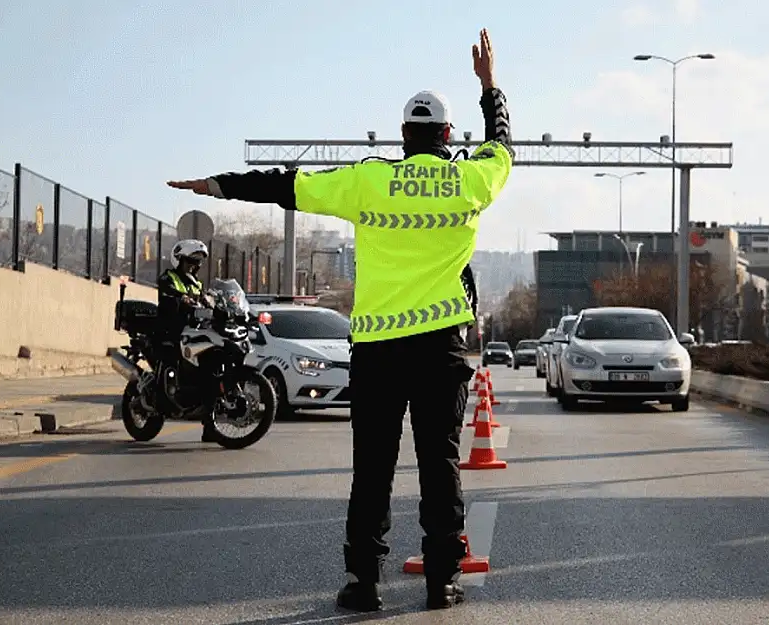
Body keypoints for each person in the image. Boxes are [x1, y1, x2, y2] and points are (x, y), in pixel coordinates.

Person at [166, 28, 512, 611]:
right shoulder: (469, 179)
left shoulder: (369, 179)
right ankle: (441, 581)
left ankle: (363, 583)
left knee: (372, 470)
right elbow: (503, 145)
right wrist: (490, 85)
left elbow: (286, 186)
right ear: (449, 137)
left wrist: (217, 185)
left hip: (378, 350)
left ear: (404, 137)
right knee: (441, 463)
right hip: (440, 349)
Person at [156, 239, 217, 442]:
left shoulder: (196, 283)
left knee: (209, 371)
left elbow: (205, 299)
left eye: (197, 262)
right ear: (179, 260)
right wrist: (181, 298)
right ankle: (165, 394)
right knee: (172, 362)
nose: (194, 265)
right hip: (171, 331)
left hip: (193, 332)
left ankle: (209, 424)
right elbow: (167, 292)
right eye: (190, 261)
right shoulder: (169, 277)